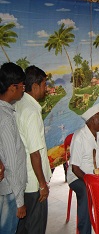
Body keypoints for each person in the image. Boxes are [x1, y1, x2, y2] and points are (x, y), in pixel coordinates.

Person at [15, 65, 52, 234]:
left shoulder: (20, 103)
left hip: (25, 180)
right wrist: (42, 185)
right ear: (35, 86)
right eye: (44, 85)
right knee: (36, 227)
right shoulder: (31, 112)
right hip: (33, 183)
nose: (47, 89)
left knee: (24, 226)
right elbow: (35, 153)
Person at [67, 103, 99, 234]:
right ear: (93, 120)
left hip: (94, 176)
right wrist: (90, 182)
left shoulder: (98, 135)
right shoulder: (80, 136)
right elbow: (75, 168)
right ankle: (84, 231)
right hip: (78, 177)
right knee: (86, 194)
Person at [0, 62, 27, 234]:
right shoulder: (5, 119)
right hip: (11, 191)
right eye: (22, 86)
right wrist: (19, 201)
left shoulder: (6, 112)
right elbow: (11, 163)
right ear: (12, 87)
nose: (23, 89)